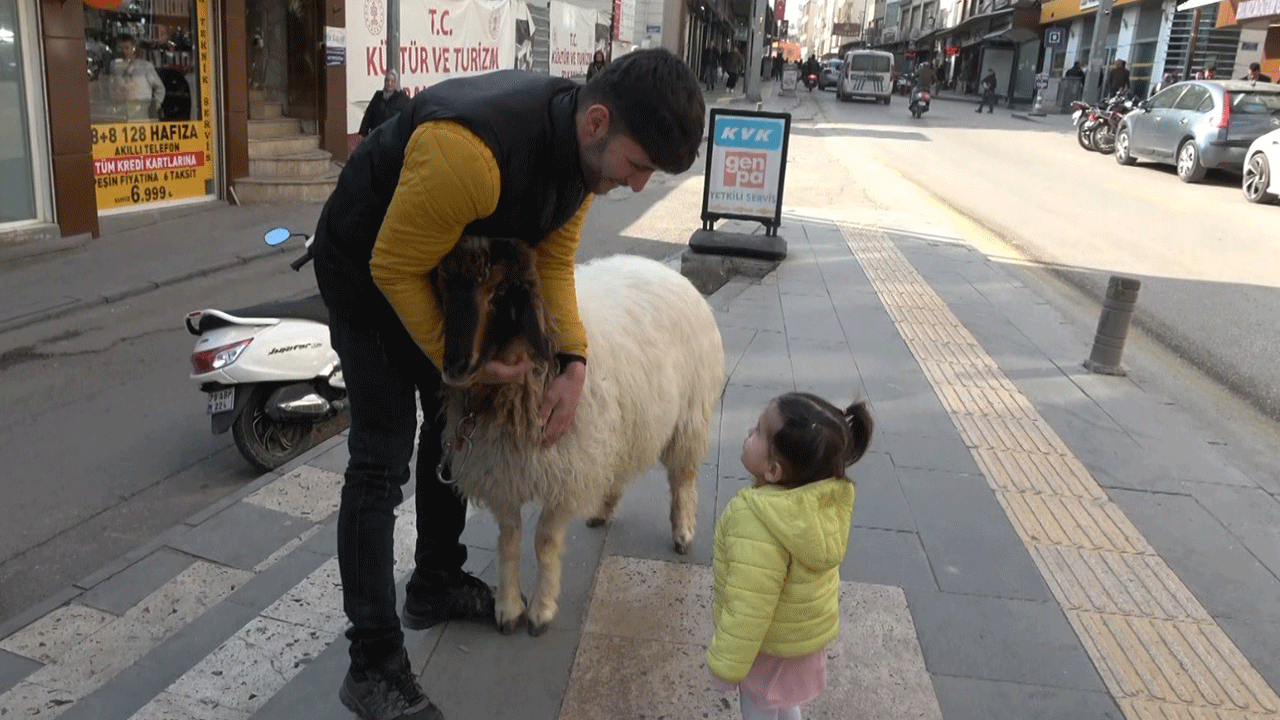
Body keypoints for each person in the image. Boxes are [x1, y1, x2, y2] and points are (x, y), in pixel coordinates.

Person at [310, 49, 705, 720]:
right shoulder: (470, 154)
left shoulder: (582, 162)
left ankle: (434, 581)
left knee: (452, 428)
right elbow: (395, 266)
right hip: (371, 271)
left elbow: (552, 258)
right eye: (639, 166)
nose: (639, 186)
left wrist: (572, 362)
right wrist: (458, 362)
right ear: (599, 121)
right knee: (381, 455)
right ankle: (372, 663)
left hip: (446, 273)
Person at [707, 392, 874, 720]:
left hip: (768, 647)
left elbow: (749, 607)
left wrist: (726, 665)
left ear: (773, 470)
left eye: (757, 431)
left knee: (758, 704)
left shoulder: (755, 519)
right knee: (783, 700)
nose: (748, 432)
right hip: (802, 640)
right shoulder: (821, 503)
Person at [111, 35, 165, 122]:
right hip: (123, 113)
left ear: (134, 48)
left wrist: (155, 106)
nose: (124, 51)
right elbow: (113, 88)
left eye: (127, 48)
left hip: (143, 112)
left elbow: (160, 88)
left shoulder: (145, 67)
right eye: (121, 48)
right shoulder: (116, 67)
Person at [359, 70, 411, 138]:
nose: (389, 84)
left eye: (392, 81)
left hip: (394, 138)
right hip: (377, 137)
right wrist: (363, 133)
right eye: (387, 81)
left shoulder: (403, 99)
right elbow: (368, 115)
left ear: (396, 83)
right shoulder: (378, 96)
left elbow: (408, 118)